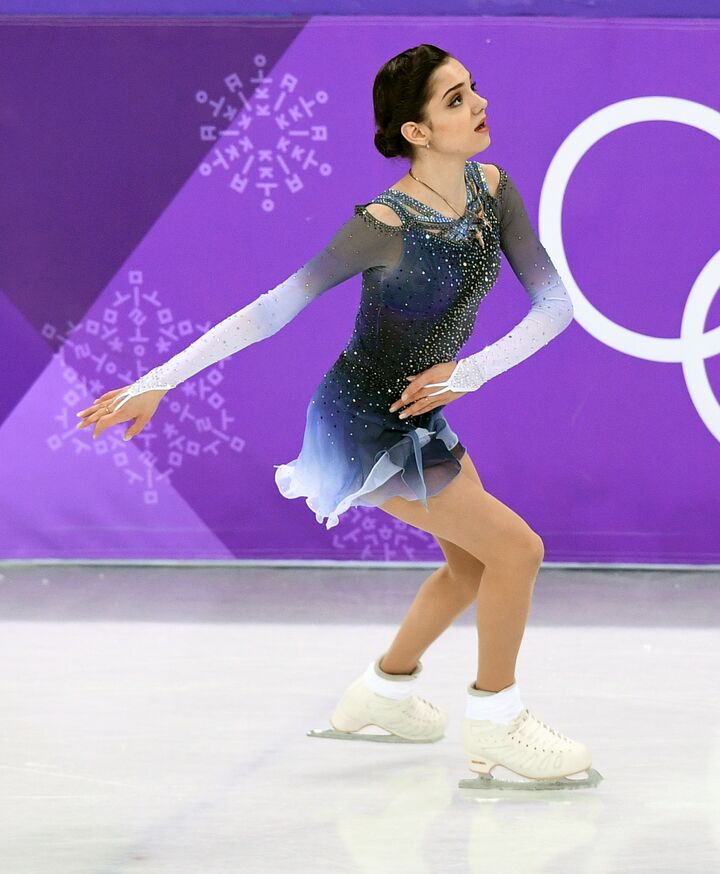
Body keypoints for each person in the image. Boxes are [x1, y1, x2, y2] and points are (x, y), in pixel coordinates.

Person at [74, 43, 601, 791]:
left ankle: (381, 692)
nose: (478, 103)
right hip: (362, 424)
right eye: (454, 100)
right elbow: (271, 311)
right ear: (416, 132)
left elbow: (557, 308)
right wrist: (157, 382)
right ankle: (496, 718)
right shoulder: (382, 223)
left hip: (421, 410)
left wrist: (468, 375)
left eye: (472, 88)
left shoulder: (494, 189)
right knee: (518, 551)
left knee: (473, 567)